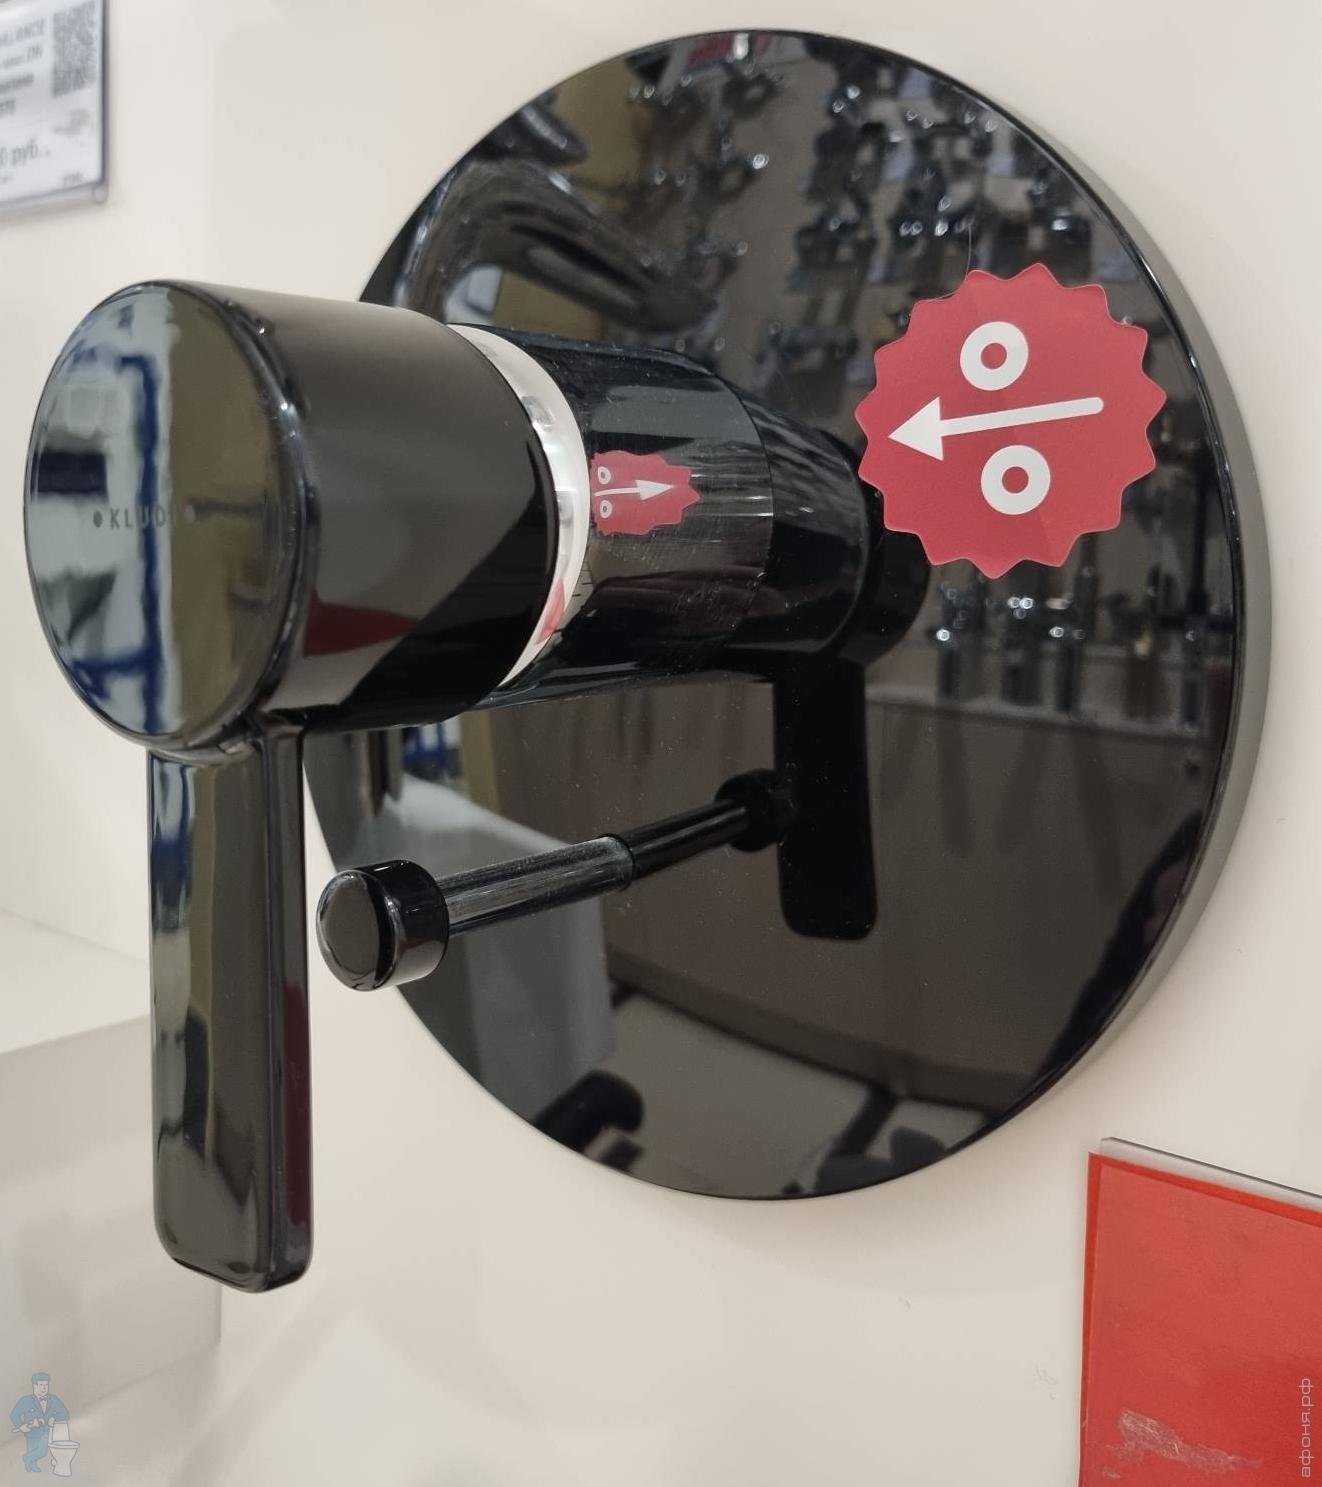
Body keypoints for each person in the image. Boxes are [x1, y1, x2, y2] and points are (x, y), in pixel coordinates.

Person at [9, 1374, 70, 1474]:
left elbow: (66, 1414)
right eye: (41, 1385)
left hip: (47, 1432)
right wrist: (20, 1426)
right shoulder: (26, 1400)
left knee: (42, 1451)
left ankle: (26, 1459)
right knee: (32, 1450)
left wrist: (54, 1418)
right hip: (32, 1432)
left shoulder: (53, 1399)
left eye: (46, 1385)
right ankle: (31, 1465)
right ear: (34, 1386)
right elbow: (14, 1414)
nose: (44, 1388)